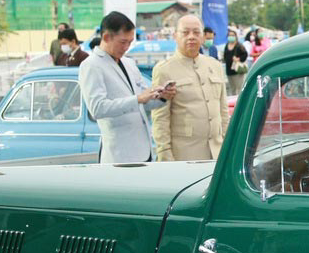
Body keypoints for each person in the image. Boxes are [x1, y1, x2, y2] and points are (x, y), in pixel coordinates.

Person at [80, 11, 174, 163]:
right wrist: (137, 99)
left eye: (130, 42)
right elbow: (97, 108)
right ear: (106, 37)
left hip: (143, 149)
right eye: (123, 42)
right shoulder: (91, 65)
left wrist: (162, 97)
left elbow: (144, 101)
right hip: (119, 153)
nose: (126, 47)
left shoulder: (128, 63)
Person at [151, 14, 229, 162]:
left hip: (217, 153)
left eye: (196, 32)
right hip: (184, 155)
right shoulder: (164, 70)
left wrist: (227, 146)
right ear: (175, 36)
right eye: (185, 32)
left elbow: (223, 111)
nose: (191, 37)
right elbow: (160, 118)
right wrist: (165, 155)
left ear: (203, 37)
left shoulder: (215, 66)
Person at [221, 31, 250, 98]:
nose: (231, 37)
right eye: (229, 35)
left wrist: (238, 59)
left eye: (232, 35)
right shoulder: (227, 45)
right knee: (232, 88)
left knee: (239, 88)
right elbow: (225, 56)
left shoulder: (239, 46)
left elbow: (245, 55)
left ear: (236, 36)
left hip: (237, 70)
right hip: (229, 70)